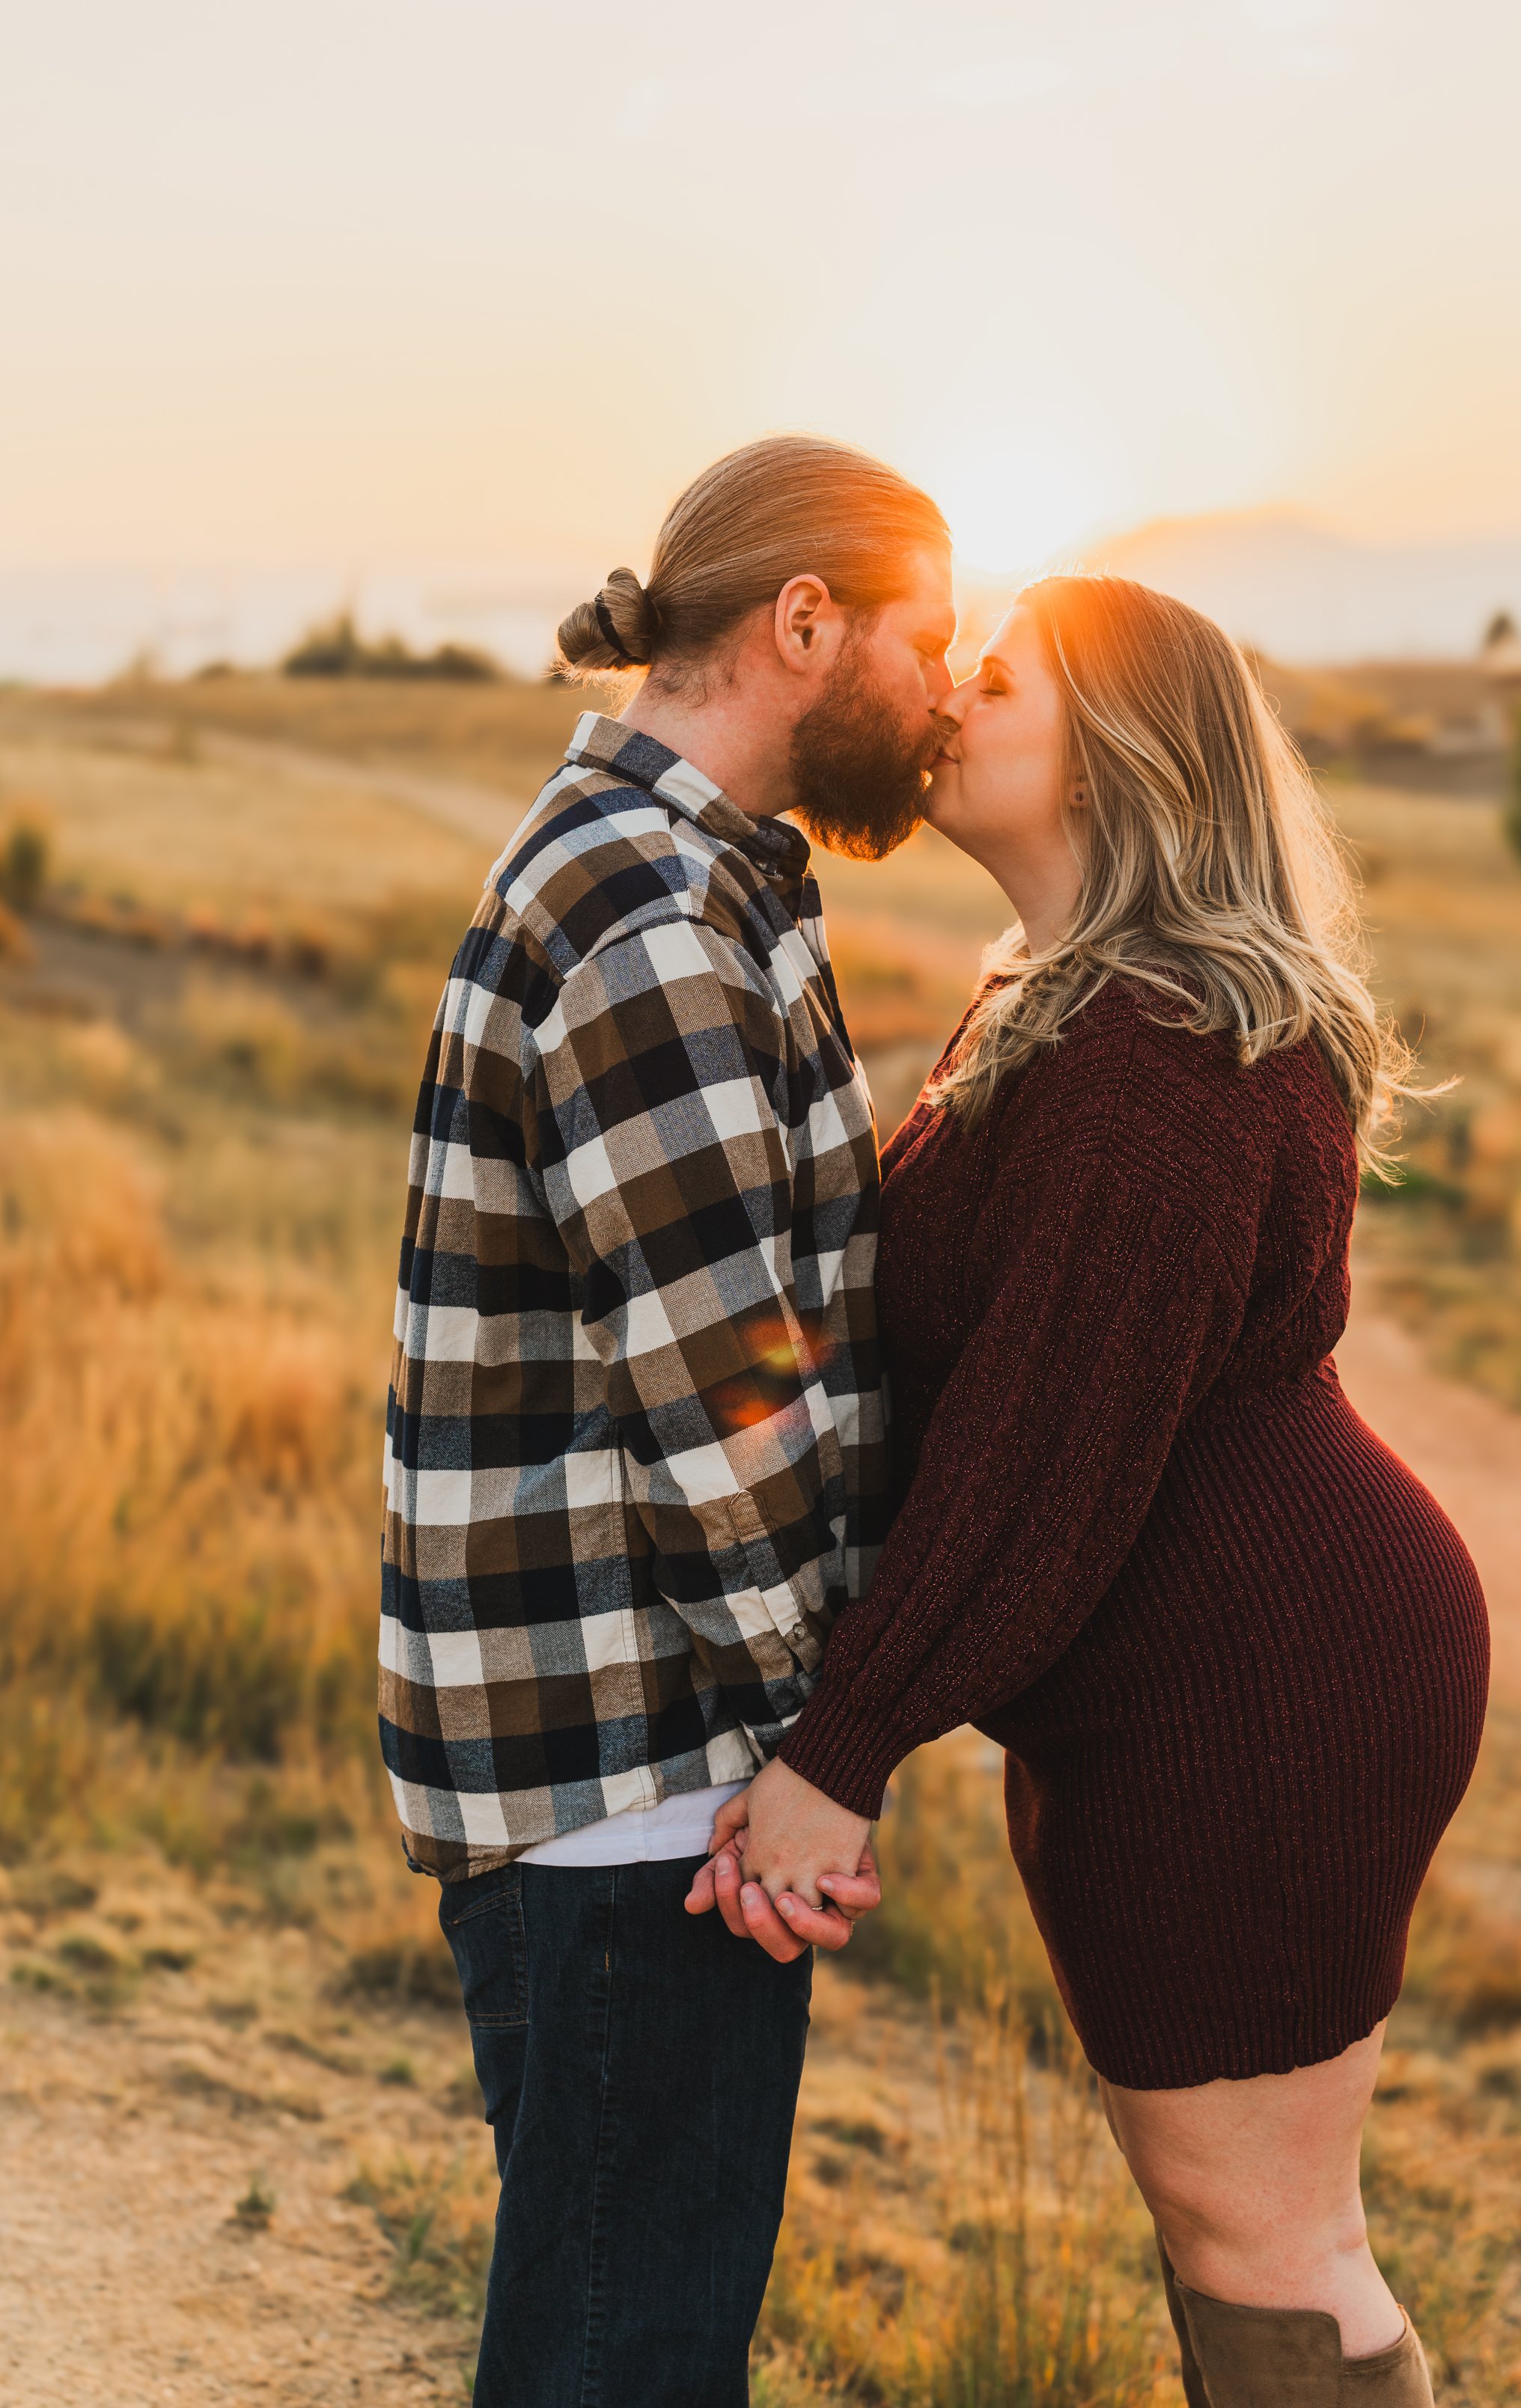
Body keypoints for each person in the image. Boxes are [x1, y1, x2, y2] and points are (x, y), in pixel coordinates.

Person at [694, 575, 1492, 2407]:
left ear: (1124, 750)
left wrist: (842, 1747)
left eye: (1000, 677)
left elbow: (1043, 1450)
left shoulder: (1155, 1058)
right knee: (1234, 2231)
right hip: (1173, 1681)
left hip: (1254, 1692)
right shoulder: (1063, 1008)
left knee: (1267, 2242)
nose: (947, 696)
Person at [378, 434, 957, 2406]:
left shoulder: (672, 872)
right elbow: (729, 1398)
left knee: (605, 2332)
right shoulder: (652, 914)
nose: (945, 689)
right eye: (922, 636)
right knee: (623, 2361)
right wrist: (826, 1745)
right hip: (649, 1771)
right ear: (804, 621)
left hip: (623, 1751)